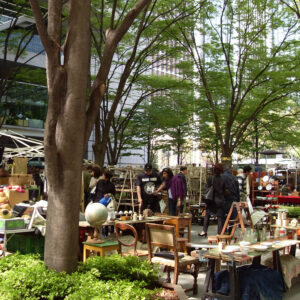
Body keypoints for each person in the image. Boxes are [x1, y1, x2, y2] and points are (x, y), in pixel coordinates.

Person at [199, 163, 226, 236]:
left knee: (207, 215)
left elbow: (207, 189)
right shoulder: (223, 179)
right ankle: (219, 233)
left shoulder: (210, 178)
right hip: (220, 200)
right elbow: (224, 190)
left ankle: (204, 231)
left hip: (211, 200)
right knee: (220, 217)